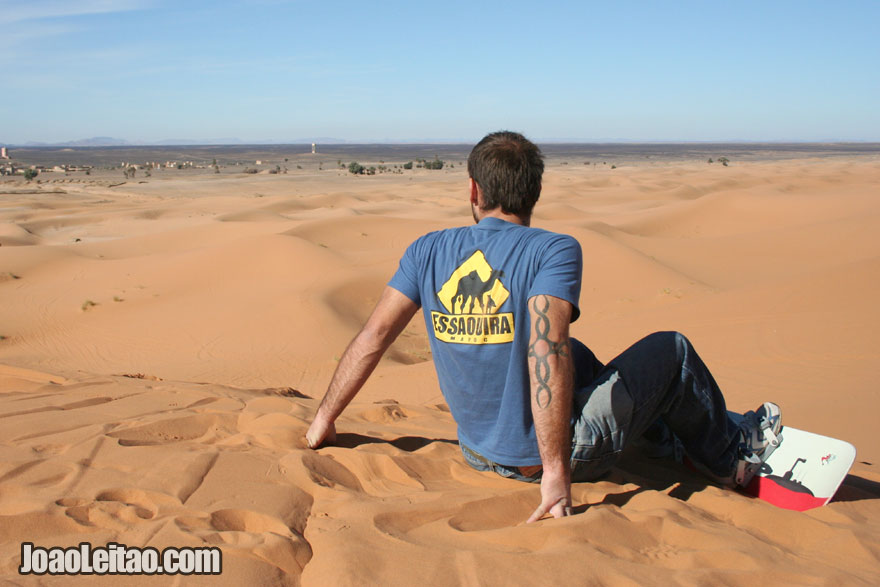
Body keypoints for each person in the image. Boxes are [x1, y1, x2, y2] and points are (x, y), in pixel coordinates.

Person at [305, 131, 781, 523]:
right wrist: (556, 472)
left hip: (477, 451)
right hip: (548, 460)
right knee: (671, 350)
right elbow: (545, 346)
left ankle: (664, 440)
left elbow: (371, 339)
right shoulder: (551, 250)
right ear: (534, 192)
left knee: (581, 355)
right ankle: (730, 460)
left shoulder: (426, 250)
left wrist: (325, 418)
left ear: (474, 190)